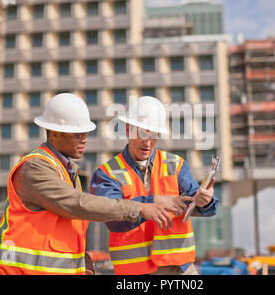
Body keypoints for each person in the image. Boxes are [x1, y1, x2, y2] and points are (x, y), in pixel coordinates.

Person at [0, 93, 178, 275]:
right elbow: (76, 204)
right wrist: (139, 208)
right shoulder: (35, 167)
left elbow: (68, 228)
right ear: (55, 133)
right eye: (77, 135)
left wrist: (83, 262)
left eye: (85, 134)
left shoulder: (67, 171)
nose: (84, 140)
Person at [90, 96, 219, 275]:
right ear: (128, 130)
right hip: (135, 273)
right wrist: (151, 202)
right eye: (143, 134)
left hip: (180, 268)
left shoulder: (176, 164)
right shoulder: (106, 174)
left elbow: (197, 202)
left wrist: (205, 201)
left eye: (155, 135)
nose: (148, 143)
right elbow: (111, 218)